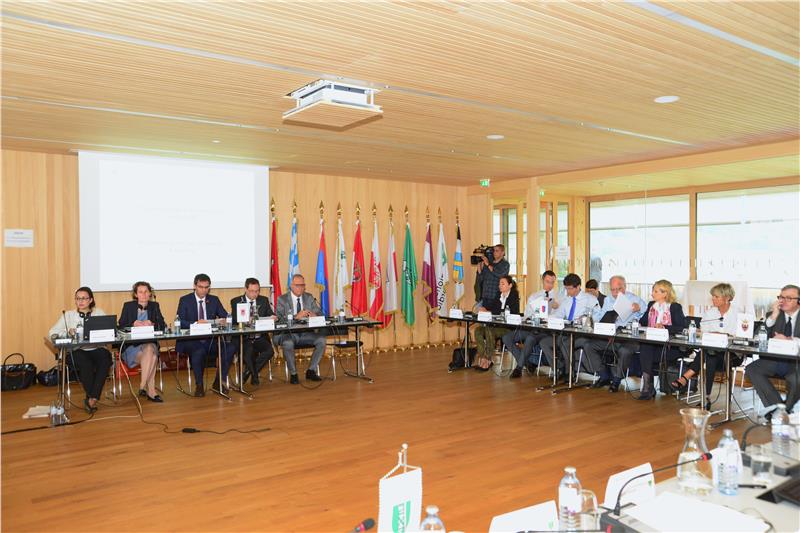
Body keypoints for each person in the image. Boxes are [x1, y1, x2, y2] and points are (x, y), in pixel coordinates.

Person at [670, 283, 741, 409]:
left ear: (727, 298)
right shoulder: (710, 313)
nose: (713, 299)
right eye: (712, 296)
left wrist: (723, 334)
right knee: (710, 354)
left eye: (716, 297)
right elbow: (703, 331)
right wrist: (710, 334)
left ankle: (686, 378)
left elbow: (741, 336)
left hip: (731, 355)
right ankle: (706, 397)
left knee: (708, 353)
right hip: (712, 353)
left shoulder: (738, 314)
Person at [575, 275, 645, 392]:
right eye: (613, 290)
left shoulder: (634, 299)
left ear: (625, 287)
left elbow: (645, 311)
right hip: (610, 336)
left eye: (619, 289)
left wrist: (639, 308)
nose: (616, 292)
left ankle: (616, 380)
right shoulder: (608, 300)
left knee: (624, 351)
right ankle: (603, 375)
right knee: (588, 345)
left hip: (628, 338)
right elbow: (601, 317)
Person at [48, 287, 112, 413]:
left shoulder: (99, 313)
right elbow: (52, 332)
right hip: (76, 350)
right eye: (78, 298)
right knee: (86, 363)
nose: (80, 301)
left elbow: (109, 330)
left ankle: (91, 398)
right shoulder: (68, 315)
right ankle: (93, 397)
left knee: (106, 359)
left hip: (97, 348)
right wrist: (67, 332)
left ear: (91, 300)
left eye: (84, 298)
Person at [175, 273, 237, 397]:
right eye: (200, 287)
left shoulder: (214, 300)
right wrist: (196, 323)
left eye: (206, 287)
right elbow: (180, 322)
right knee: (198, 351)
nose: (203, 290)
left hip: (210, 339)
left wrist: (225, 320)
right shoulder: (185, 300)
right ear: (194, 286)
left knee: (230, 347)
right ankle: (199, 385)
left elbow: (226, 316)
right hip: (191, 340)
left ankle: (218, 381)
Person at [746, 284, 800, 415]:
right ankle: (778, 409)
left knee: (795, 378)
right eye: (781, 297)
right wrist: (773, 318)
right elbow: (757, 337)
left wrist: (789, 340)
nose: (783, 301)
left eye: (788, 298)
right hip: (776, 360)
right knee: (752, 369)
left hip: (797, 362)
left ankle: (786, 410)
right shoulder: (774, 314)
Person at [539, 273, 598, 381]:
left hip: (582, 334)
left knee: (565, 343)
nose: (568, 292)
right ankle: (559, 367)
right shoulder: (567, 300)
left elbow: (597, 318)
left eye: (570, 289)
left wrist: (584, 320)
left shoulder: (590, 300)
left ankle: (569, 372)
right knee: (544, 342)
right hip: (566, 332)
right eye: (566, 289)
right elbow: (558, 315)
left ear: (578, 286)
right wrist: (545, 318)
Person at [502, 270, 560, 378]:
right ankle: (526, 362)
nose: (550, 285)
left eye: (552, 282)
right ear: (542, 280)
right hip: (532, 327)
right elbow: (526, 315)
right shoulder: (535, 296)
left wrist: (555, 307)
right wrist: (531, 317)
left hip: (546, 331)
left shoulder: (558, 297)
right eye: (547, 282)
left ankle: (519, 368)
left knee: (530, 338)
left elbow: (561, 316)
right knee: (507, 338)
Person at [636, 279, 686, 401]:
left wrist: (664, 327)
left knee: (645, 350)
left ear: (665, 293)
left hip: (669, 347)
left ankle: (647, 387)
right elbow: (643, 322)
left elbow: (681, 327)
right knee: (645, 347)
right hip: (652, 344)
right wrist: (637, 322)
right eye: (653, 291)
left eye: (656, 291)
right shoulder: (651, 305)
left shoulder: (674, 307)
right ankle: (648, 386)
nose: (652, 293)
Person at [118, 281, 166, 402]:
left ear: (150, 293)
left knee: (149, 348)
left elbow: (162, 325)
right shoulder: (128, 306)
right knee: (153, 358)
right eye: (140, 292)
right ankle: (150, 391)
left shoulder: (155, 306)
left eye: (146, 292)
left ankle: (142, 386)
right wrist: (133, 323)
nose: (143, 294)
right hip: (132, 346)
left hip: (150, 343)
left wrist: (152, 323)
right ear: (136, 294)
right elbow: (121, 326)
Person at [275, 274, 327, 384]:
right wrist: (295, 317)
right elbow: (278, 320)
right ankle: (293, 374)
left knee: (321, 340)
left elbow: (320, 314)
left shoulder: (309, 297)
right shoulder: (282, 299)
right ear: (291, 286)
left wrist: (315, 315)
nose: (300, 288)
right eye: (297, 285)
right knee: (288, 343)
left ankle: (311, 370)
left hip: (305, 333)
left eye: (302, 285)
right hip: (288, 334)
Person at [230, 277, 275, 385]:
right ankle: (254, 375)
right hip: (244, 338)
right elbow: (234, 321)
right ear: (245, 289)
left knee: (270, 351)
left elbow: (270, 314)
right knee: (248, 351)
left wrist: (273, 317)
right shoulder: (236, 301)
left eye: (257, 291)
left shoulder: (263, 300)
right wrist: (245, 320)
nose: (255, 294)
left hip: (260, 336)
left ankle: (248, 372)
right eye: (251, 291)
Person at [474, 275, 520, 371]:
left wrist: (490, 311)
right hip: (496, 326)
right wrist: (484, 308)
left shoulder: (514, 296)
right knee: (478, 330)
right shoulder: (498, 294)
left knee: (489, 330)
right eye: (499, 284)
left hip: (507, 328)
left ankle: (488, 359)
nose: (500, 286)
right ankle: (483, 357)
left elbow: (509, 312)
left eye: (502, 284)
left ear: (510, 285)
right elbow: (492, 307)